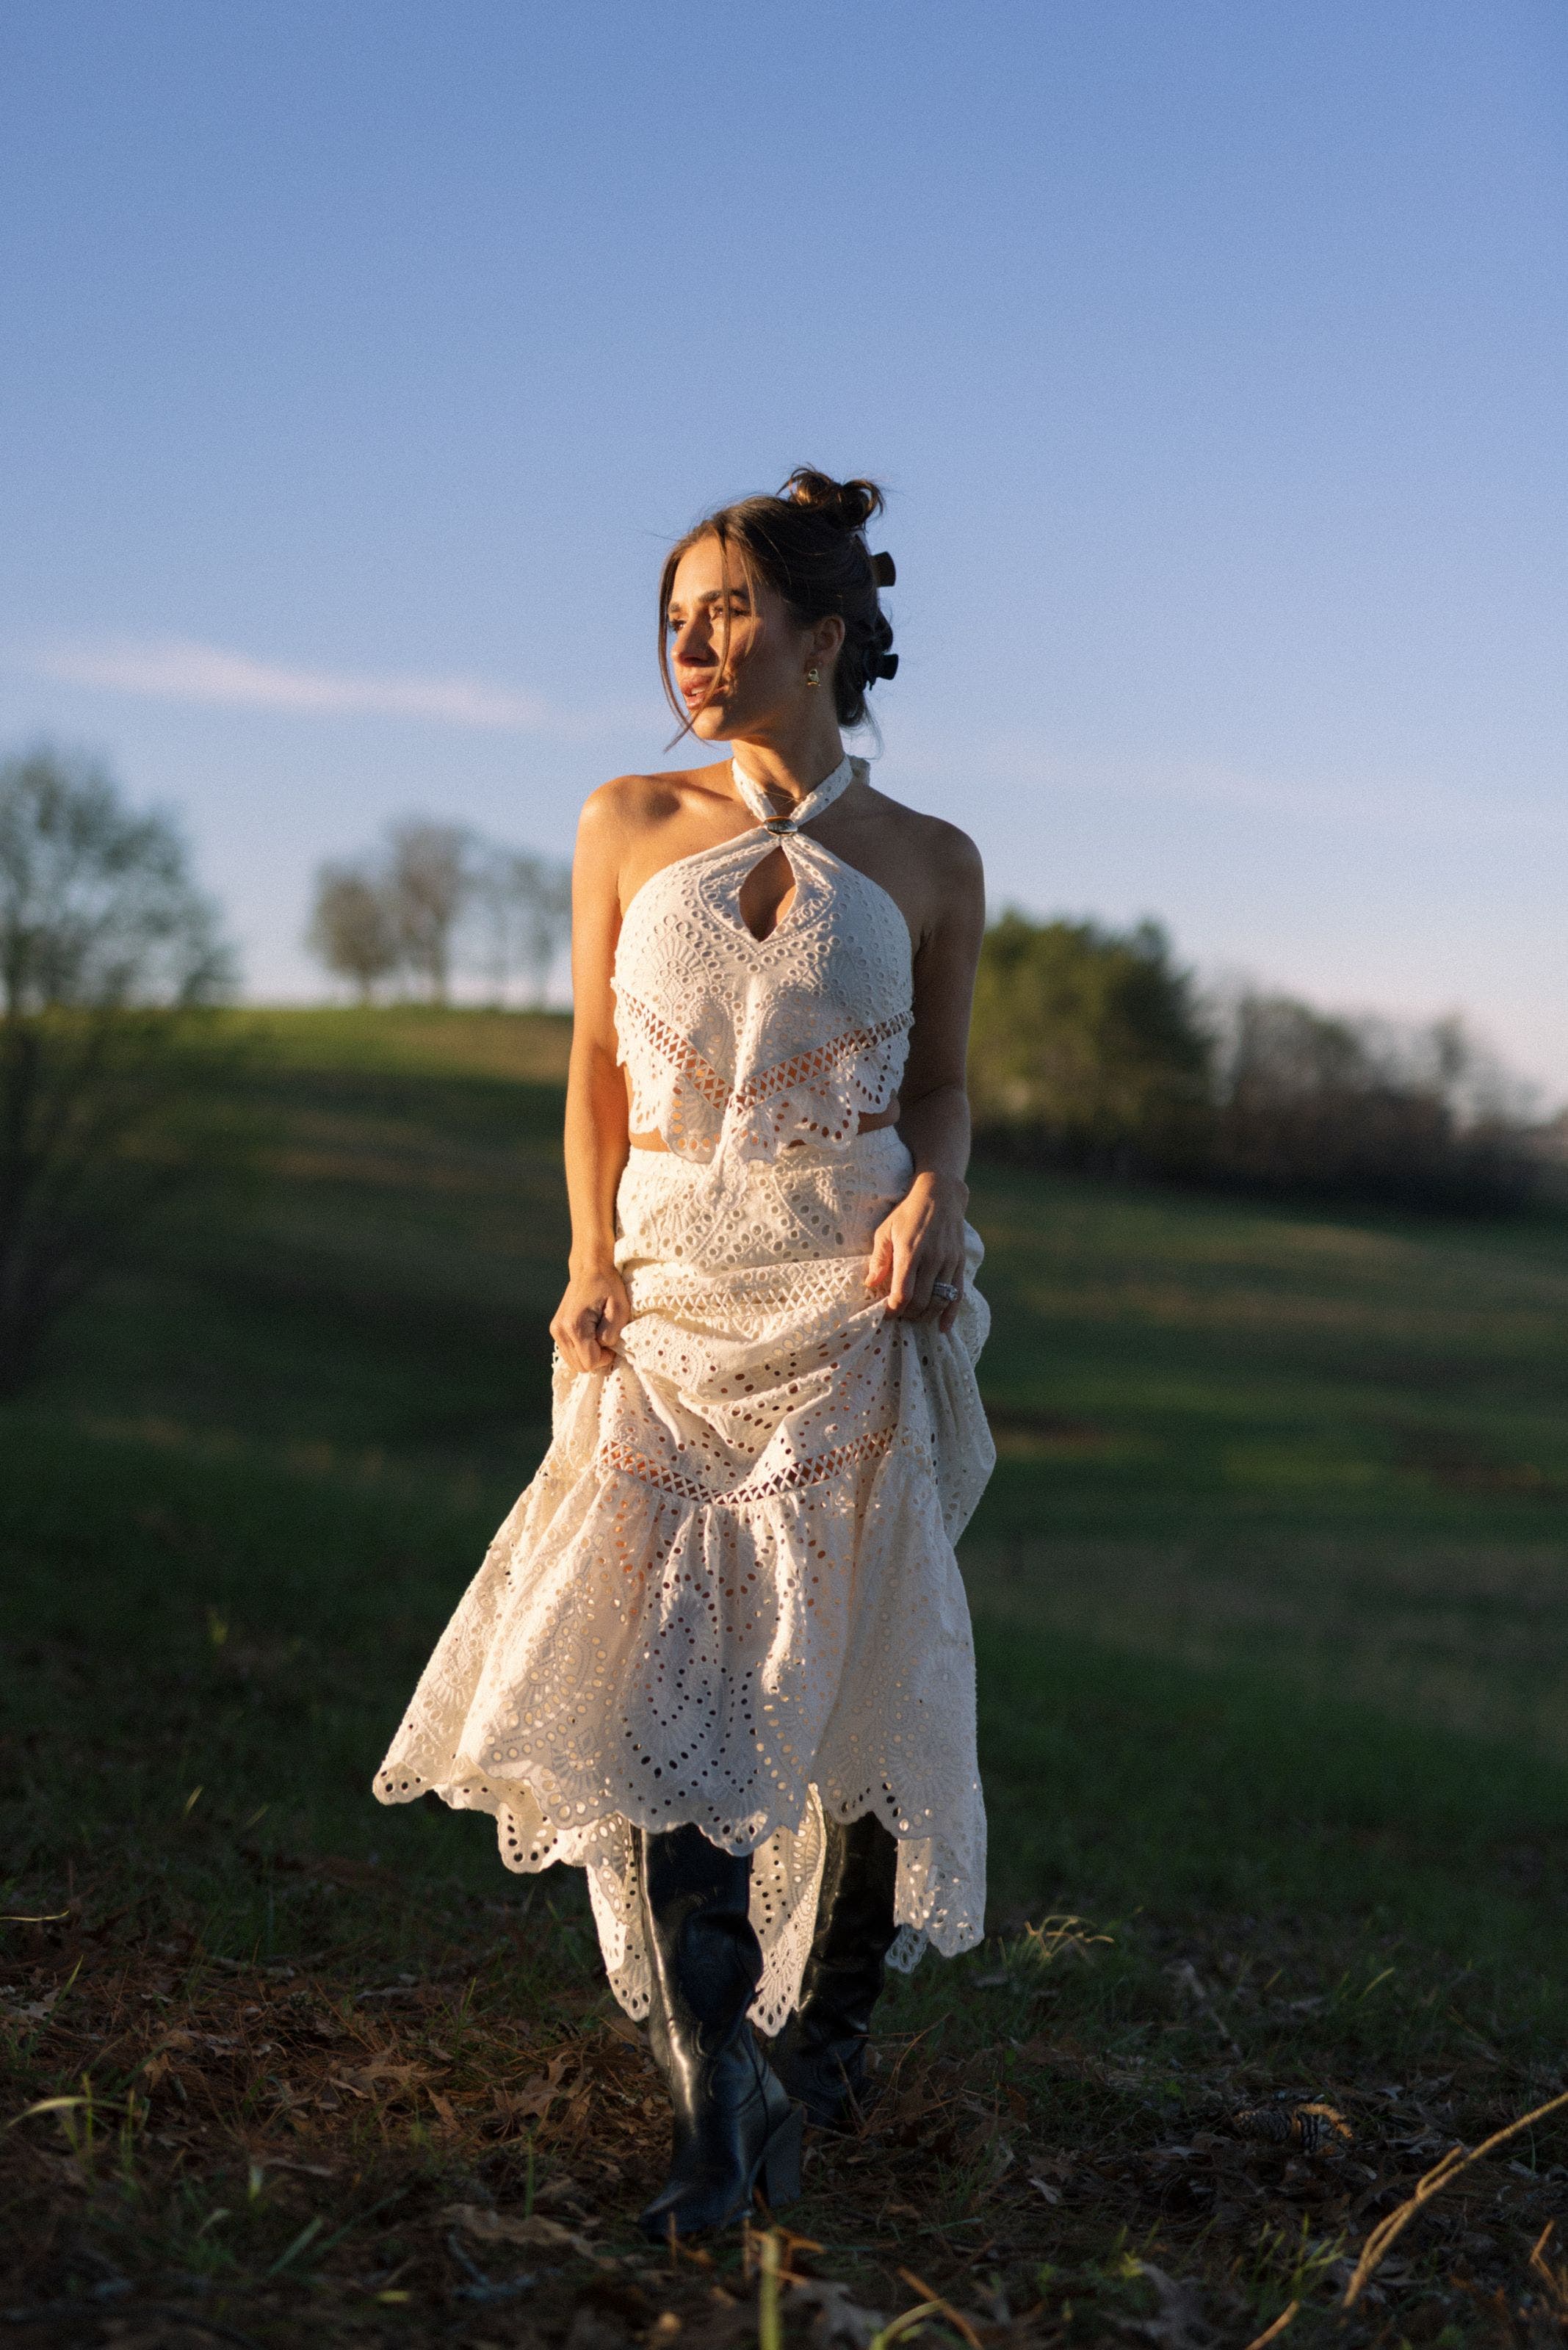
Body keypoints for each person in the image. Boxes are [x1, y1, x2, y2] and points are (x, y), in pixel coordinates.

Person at [375, 469, 995, 2237]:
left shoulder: (932, 859)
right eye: (676, 619)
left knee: (846, 1647)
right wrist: (587, 1255)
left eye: (729, 613)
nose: (692, 646)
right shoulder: (624, 819)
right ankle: (721, 2082)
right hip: (663, 1296)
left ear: (825, 635)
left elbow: (943, 1084)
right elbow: (592, 1063)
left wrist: (936, 1195)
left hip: (851, 1293)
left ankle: (829, 2045)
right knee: (658, 1670)